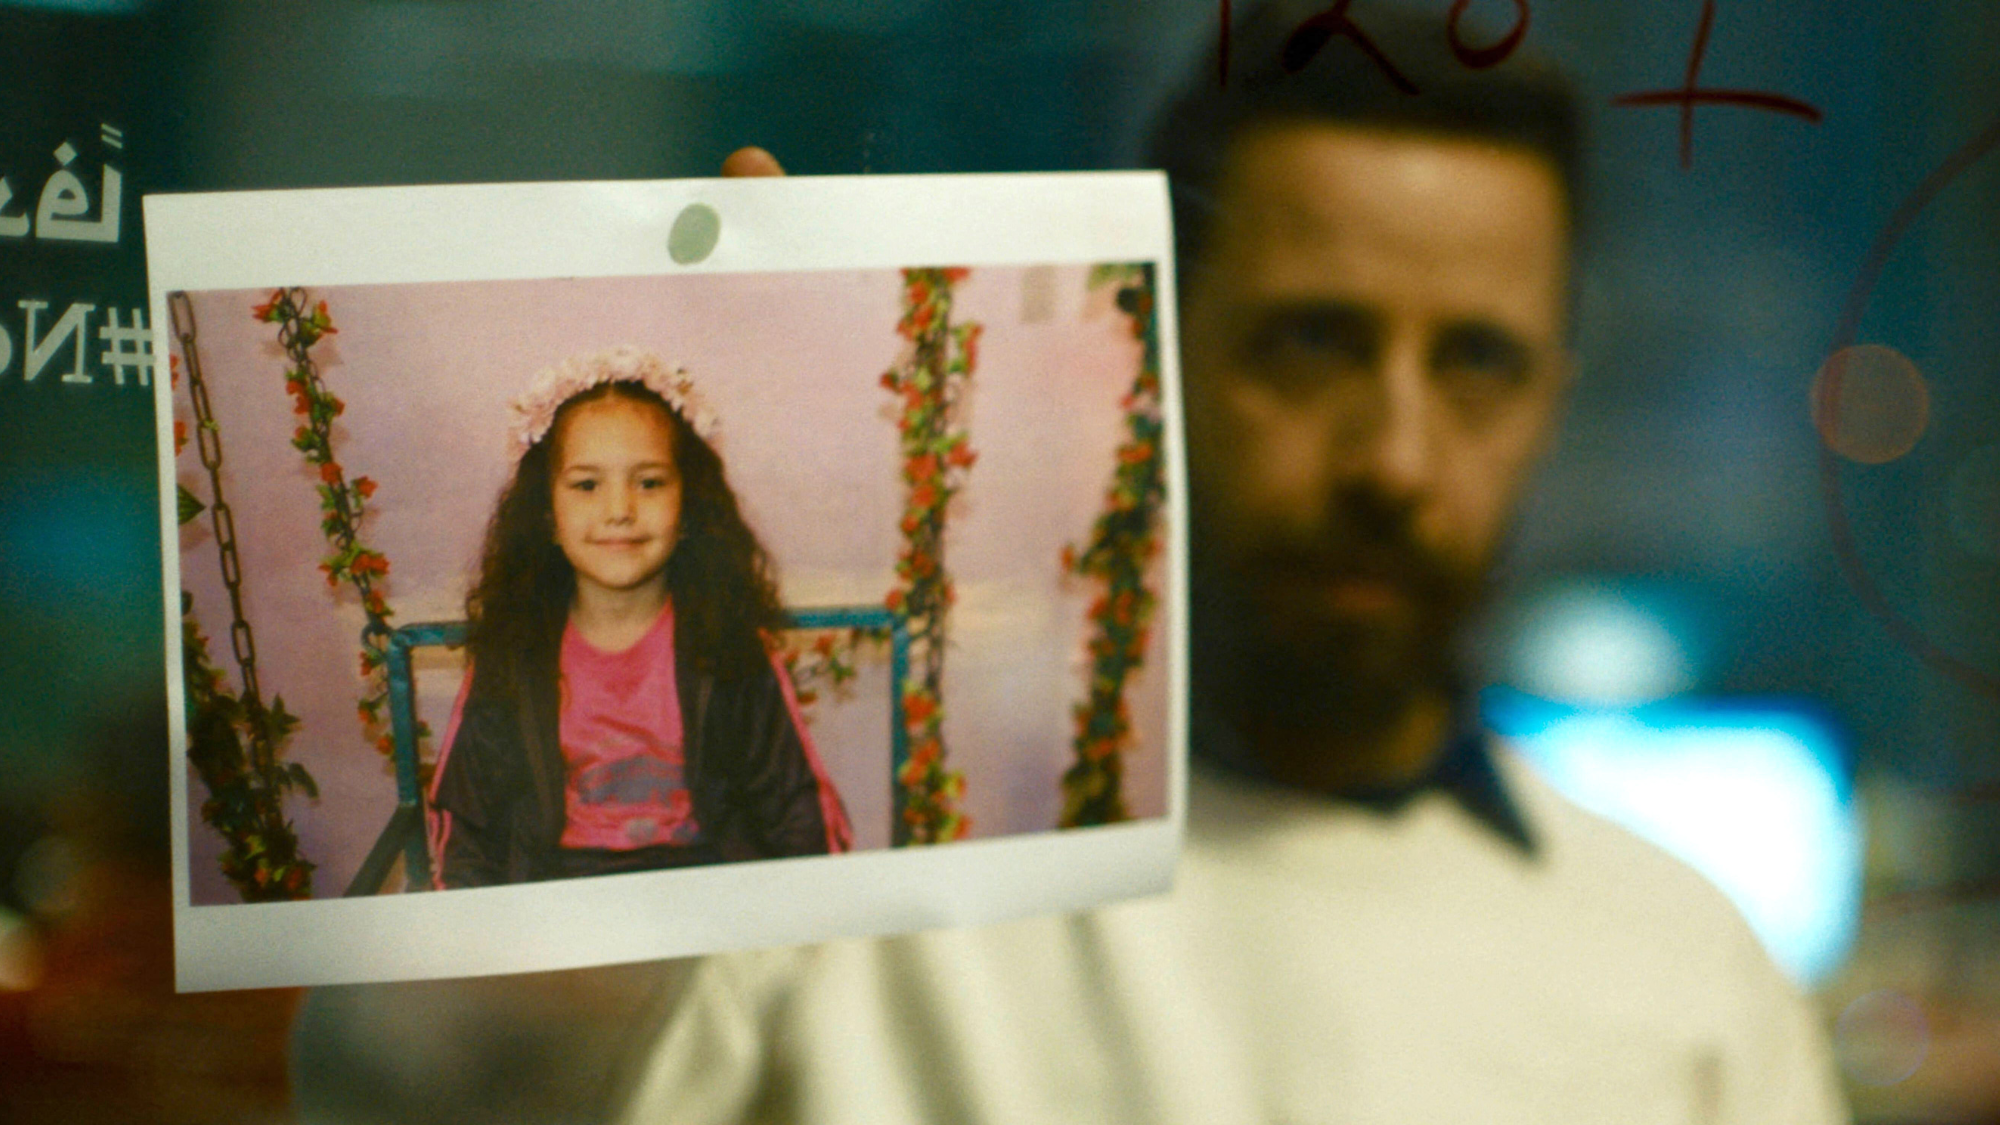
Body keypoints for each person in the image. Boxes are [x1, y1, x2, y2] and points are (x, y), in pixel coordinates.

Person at [611, 5, 1849, 1123]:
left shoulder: (1691, 982)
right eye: (1310, 344)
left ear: (1550, 400)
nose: (1394, 461)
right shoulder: (837, 895)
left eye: (1475, 363)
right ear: (1143, 355)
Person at [428, 346, 851, 888]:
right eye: (587, 485)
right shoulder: (514, 653)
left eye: (649, 482)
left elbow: (798, 812)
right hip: (561, 901)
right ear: (547, 515)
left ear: (689, 507)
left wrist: (807, 916)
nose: (619, 511)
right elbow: (466, 829)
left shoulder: (732, 646)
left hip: (707, 892)